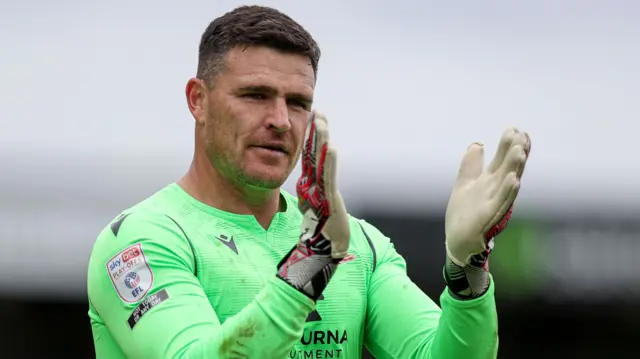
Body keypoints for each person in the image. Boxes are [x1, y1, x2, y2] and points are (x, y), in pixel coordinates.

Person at [87, 5, 531, 359]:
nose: (280, 121)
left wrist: (467, 272)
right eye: (255, 95)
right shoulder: (143, 240)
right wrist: (310, 266)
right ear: (197, 100)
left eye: (298, 102)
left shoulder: (357, 244)